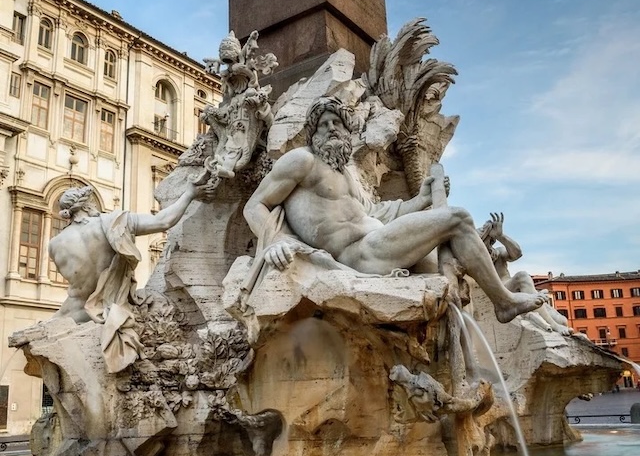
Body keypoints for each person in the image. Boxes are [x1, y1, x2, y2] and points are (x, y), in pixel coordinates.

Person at [243, 96, 545, 323]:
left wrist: (422, 199)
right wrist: (276, 240)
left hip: (380, 242)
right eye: (324, 125)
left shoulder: (346, 172)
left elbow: (374, 213)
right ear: (313, 134)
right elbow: (255, 204)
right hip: (360, 255)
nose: (332, 129)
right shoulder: (301, 161)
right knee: (460, 219)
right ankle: (504, 302)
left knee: (451, 275)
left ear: (347, 130)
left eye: (337, 123)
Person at [49, 180, 212, 372]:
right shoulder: (113, 224)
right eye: (92, 203)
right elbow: (163, 221)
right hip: (110, 313)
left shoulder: (54, 243)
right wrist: (189, 194)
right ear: (86, 205)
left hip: (71, 316)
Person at [477, 212, 572, 334]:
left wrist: (501, 236)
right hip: (501, 293)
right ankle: (553, 326)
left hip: (517, 290)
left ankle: (546, 311)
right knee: (522, 276)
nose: (488, 244)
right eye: (486, 241)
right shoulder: (476, 259)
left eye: (491, 241)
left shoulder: (498, 253)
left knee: (563, 320)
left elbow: (517, 253)